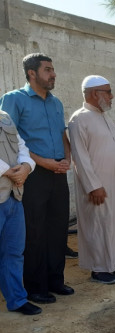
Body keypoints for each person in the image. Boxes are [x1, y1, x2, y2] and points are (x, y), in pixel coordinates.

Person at [0, 53, 73, 304]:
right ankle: (35, 287)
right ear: (32, 73)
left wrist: (67, 158)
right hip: (32, 174)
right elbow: (11, 140)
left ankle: (55, 281)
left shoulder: (56, 103)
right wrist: (43, 163)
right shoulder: (14, 99)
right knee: (34, 231)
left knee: (58, 228)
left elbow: (63, 135)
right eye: (47, 70)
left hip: (58, 173)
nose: (53, 74)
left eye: (53, 69)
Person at [68, 75, 115, 284]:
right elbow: (80, 157)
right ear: (95, 93)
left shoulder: (105, 118)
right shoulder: (79, 119)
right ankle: (99, 268)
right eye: (108, 92)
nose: (112, 96)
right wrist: (93, 186)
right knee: (98, 226)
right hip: (98, 187)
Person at [0, 109, 41, 315]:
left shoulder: (4, 116)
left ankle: (16, 300)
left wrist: (26, 166)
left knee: (14, 253)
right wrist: (7, 171)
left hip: (13, 197)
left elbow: (22, 147)